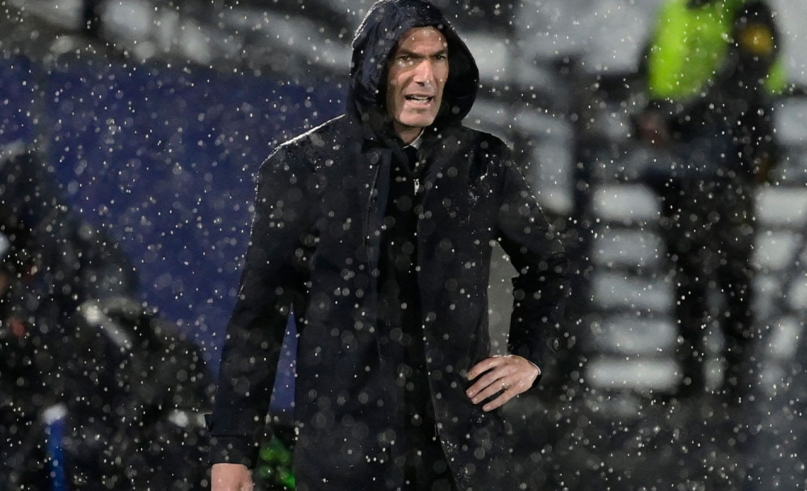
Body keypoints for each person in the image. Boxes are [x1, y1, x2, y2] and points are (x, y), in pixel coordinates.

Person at [207, 1, 576, 490]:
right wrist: (232, 450)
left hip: (461, 461)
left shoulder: (482, 164)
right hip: (346, 464)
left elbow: (549, 267)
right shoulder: (304, 168)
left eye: (438, 58)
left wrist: (530, 356)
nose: (426, 76)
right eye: (407, 58)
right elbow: (258, 319)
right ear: (374, 68)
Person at [636, 0, 783, 407]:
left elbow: (747, 75)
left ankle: (736, 384)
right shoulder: (677, 9)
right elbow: (650, 69)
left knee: (730, 271)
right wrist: (647, 116)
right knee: (688, 271)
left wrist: (676, 120)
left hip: (729, 159)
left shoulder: (747, 8)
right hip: (681, 160)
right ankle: (694, 379)